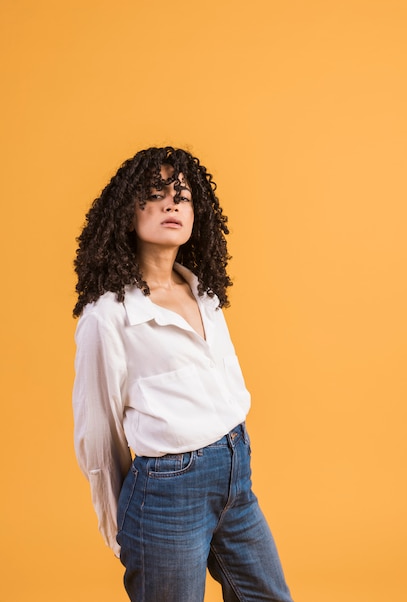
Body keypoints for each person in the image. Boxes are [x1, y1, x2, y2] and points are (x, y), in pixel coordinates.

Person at [72, 146, 293, 602]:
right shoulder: (108, 316)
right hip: (167, 494)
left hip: (236, 475)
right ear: (124, 213)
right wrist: (121, 530)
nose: (172, 203)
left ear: (198, 216)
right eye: (154, 194)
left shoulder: (203, 293)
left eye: (183, 196)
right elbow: (98, 435)